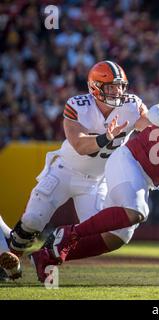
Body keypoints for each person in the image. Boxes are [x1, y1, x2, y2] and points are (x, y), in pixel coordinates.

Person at [29, 88, 159, 283]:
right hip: (129, 160)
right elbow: (156, 112)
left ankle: (48, 255)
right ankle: (67, 234)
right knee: (137, 211)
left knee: (117, 238)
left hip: (145, 179)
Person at [5, 60, 149, 279]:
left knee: (100, 232)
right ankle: (10, 263)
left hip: (96, 181)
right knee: (33, 219)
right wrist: (106, 137)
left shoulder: (132, 105)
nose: (117, 91)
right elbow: (80, 144)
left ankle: (48, 253)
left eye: (120, 86)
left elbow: (149, 128)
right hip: (65, 171)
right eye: (111, 86)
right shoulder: (78, 104)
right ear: (95, 87)